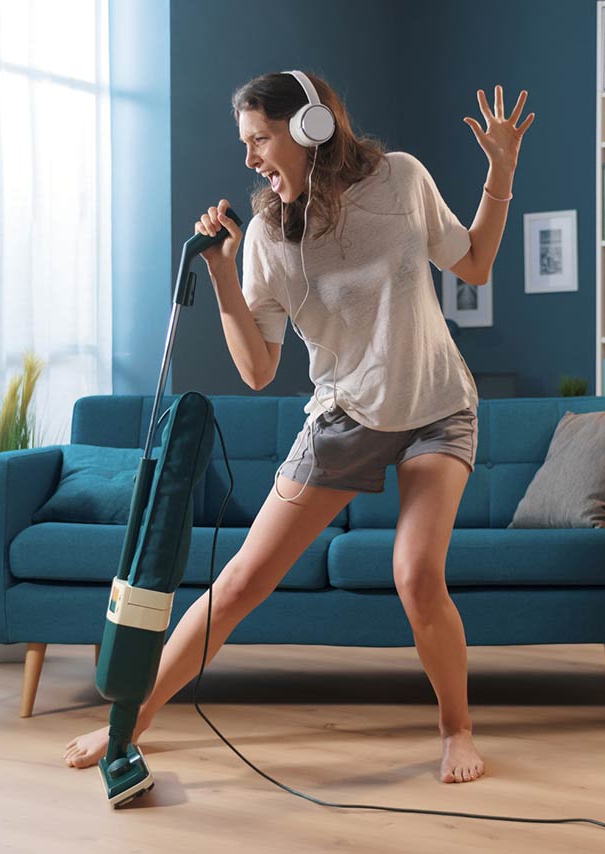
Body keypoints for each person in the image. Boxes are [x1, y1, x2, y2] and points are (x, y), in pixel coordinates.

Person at [66, 70, 533, 785]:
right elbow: (257, 369)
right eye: (245, 143)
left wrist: (500, 173)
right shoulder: (266, 237)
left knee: (415, 574)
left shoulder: (401, 180)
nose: (250, 157)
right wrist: (224, 274)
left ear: (312, 127)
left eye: (260, 138)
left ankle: (456, 729)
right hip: (346, 417)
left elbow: (474, 261)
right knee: (243, 579)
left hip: (437, 406)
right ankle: (130, 722)